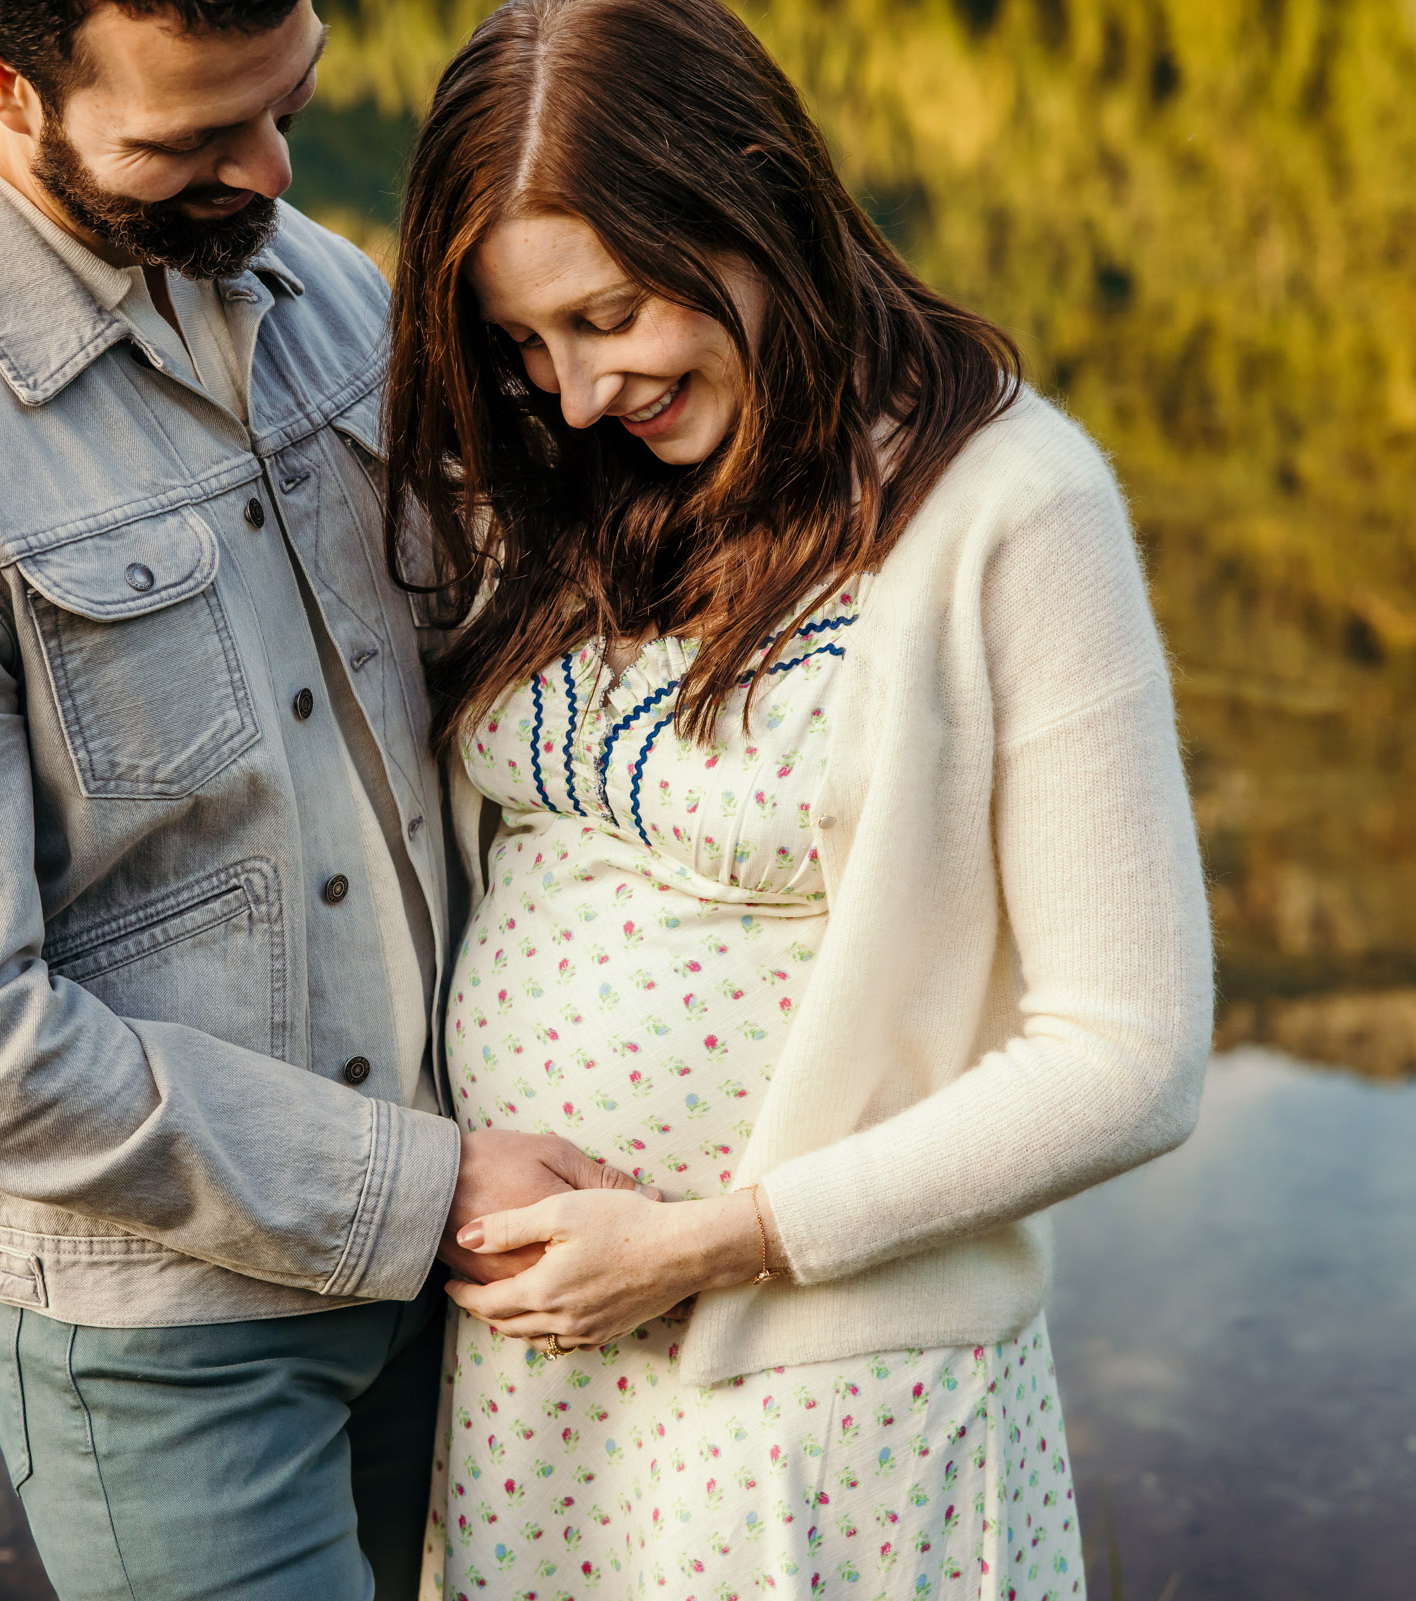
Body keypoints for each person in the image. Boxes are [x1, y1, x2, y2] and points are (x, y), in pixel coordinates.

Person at [0, 1, 641, 1595]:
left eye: (286, 104)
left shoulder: (321, 286)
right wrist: (418, 1186)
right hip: (169, 1358)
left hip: (465, 1276)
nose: (267, 169)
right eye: (190, 139)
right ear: (2, 79)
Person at [382, 0, 1216, 1595]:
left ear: (744, 201)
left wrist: (710, 1240)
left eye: (609, 314)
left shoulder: (1008, 511)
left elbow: (1133, 1054)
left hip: (822, 1396)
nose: (571, 391)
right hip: (536, 1386)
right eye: (523, 343)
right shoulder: (577, 483)